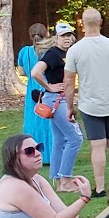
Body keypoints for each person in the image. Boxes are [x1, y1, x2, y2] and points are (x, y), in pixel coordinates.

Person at [63, 8, 109, 196]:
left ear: (82, 24)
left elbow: (68, 81)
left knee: (97, 145)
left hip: (89, 105)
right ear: (101, 22)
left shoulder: (75, 50)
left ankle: (100, 187)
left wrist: (69, 106)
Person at [31, 22, 85, 189]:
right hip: (56, 99)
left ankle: (58, 180)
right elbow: (35, 72)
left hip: (60, 98)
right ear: (56, 38)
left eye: (69, 35)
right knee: (75, 138)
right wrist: (49, 87)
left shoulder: (69, 53)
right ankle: (65, 179)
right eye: (63, 36)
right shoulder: (53, 54)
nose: (66, 38)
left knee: (60, 139)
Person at [16, 23, 55, 164]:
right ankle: (50, 154)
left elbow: (22, 72)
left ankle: (31, 153)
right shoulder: (49, 52)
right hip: (47, 88)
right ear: (46, 34)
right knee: (49, 122)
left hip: (32, 90)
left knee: (32, 122)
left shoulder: (24, 52)